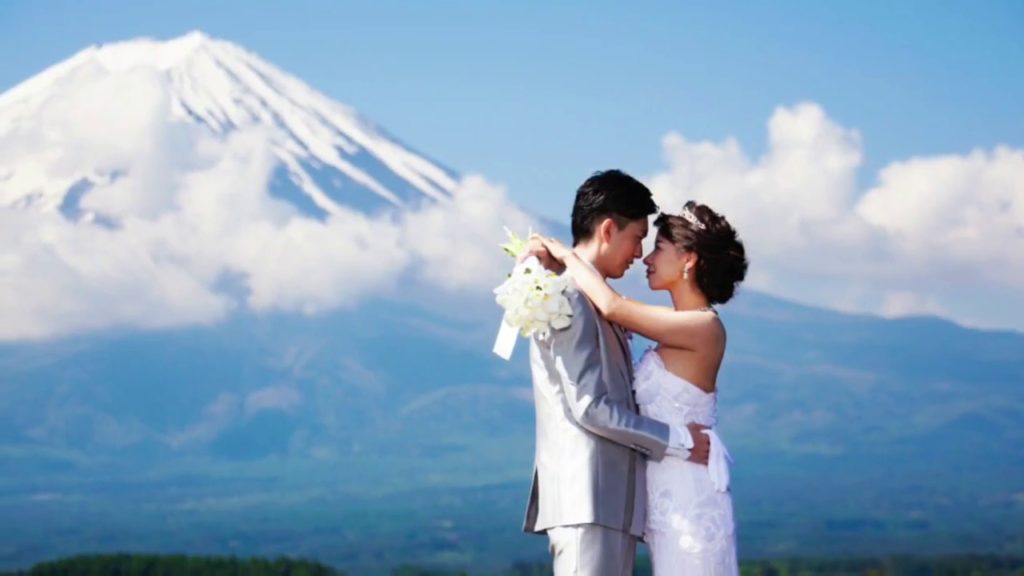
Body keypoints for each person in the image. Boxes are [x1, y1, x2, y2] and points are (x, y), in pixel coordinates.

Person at [533, 198, 748, 575]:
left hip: (689, 495)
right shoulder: (673, 321)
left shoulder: (704, 328)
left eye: (658, 248)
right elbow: (607, 310)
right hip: (660, 500)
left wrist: (568, 256)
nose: (646, 259)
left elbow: (612, 307)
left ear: (688, 259)